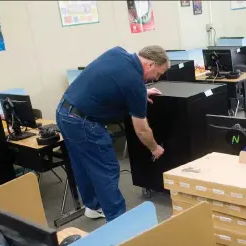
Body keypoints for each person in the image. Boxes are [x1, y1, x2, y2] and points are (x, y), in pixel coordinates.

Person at [56, 45, 170, 222]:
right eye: (158, 73)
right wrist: (155, 148)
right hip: (84, 123)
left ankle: (93, 207)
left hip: (64, 112)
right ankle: (117, 220)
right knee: (106, 169)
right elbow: (141, 129)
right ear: (150, 64)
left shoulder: (118, 53)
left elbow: (110, 80)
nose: (157, 78)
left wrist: (139, 93)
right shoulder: (134, 83)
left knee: (82, 164)